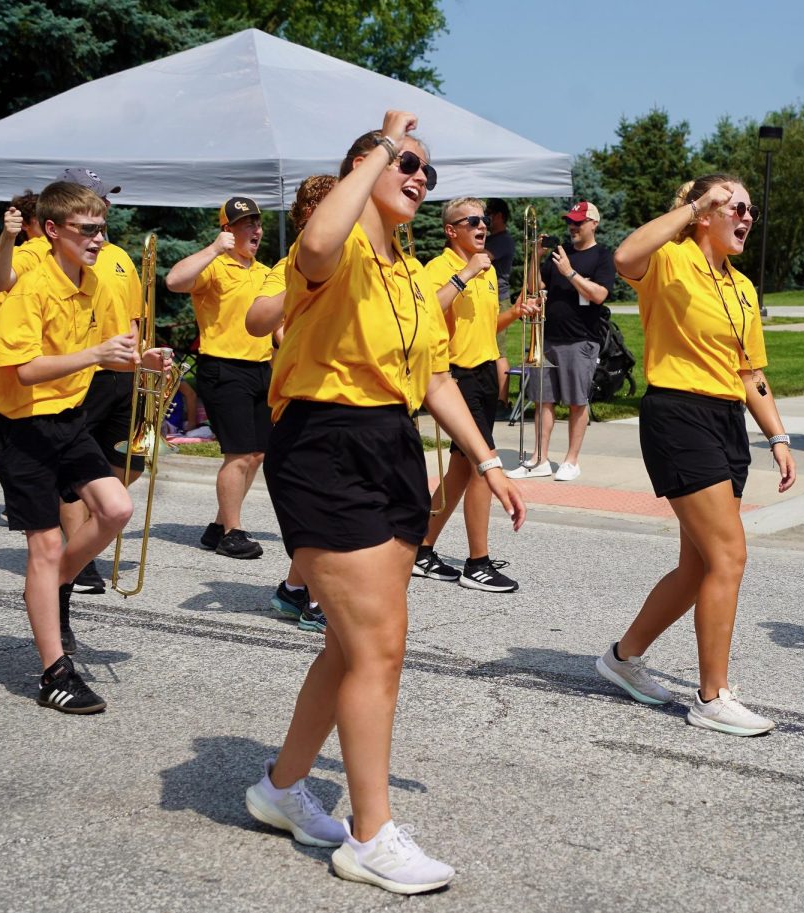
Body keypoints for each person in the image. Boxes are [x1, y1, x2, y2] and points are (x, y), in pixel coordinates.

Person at [245, 111, 525, 895]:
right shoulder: (334, 254)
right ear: (365, 169)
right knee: (378, 646)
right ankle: (370, 835)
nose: (419, 177)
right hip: (323, 445)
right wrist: (376, 146)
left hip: (391, 444)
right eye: (407, 164)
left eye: (426, 171)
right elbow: (315, 247)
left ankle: (279, 788)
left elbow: (435, 378)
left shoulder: (409, 271)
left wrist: (487, 459)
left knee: (350, 643)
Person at [595, 173, 796, 736]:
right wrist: (688, 210)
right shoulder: (670, 260)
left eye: (750, 209)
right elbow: (625, 256)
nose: (747, 217)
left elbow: (750, 373)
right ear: (704, 212)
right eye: (735, 206)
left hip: (727, 421)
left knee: (698, 566)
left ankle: (621, 657)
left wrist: (777, 437)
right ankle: (713, 697)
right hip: (678, 417)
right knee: (729, 557)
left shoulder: (743, 287)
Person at [0, 180, 170, 713]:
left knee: (116, 507)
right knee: (42, 548)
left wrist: (143, 359)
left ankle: (51, 587)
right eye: (86, 230)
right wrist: (94, 354)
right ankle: (54, 673)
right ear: (52, 230)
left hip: (65, 418)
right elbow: (22, 371)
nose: (97, 238)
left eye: (101, 229)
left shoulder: (93, 282)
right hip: (22, 426)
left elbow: (107, 351)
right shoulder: (30, 286)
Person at [0, 170, 145, 595]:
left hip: (111, 369)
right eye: (94, 201)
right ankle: (69, 575)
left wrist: (141, 358)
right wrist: (6, 239)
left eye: (105, 203)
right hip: (55, 387)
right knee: (68, 492)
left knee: (125, 472)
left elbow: (131, 318)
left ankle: (67, 566)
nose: (103, 209)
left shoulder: (115, 257)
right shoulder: (39, 253)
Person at [415, 197, 538, 593]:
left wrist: (515, 313)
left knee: (462, 470)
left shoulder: (483, 266)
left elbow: (485, 324)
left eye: (484, 220)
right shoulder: (442, 268)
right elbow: (428, 312)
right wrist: (464, 274)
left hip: (484, 371)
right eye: (472, 221)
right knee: (484, 467)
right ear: (452, 230)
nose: (482, 226)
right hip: (456, 375)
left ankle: (422, 547)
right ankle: (477, 562)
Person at [245, 174, 337, 633]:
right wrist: (300, 286)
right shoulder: (290, 262)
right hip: (306, 395)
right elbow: (259, 322)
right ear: (306, 217)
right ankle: (318, 601)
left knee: (330, 503)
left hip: (343, 394)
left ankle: (294, 589)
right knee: (327, 507)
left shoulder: (360, 259)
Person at [167, 195, 271, 559]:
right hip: (224, 368)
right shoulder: (214, 265)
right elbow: (174, 281)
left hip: (261, 367)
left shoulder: (263, 272)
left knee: (257, 454)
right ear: (227, 230)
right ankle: (233, 533)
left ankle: (217, 526)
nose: (255, 230)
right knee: (238, 454)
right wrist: (213, 248)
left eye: (257, 223)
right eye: (246, 224)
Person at [506, 200, 616, 482]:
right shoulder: (557, 255)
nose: (572, 227)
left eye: (578, 222)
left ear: (594, 223)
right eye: (570, 221)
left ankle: (571, 460)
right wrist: (535, 255)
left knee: (577, 402)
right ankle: (539, 459)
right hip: (547, 338)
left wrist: (569, 272)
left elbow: (600, 294)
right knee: (543, 400)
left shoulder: (602, 255)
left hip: (580, 341)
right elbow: (534, 287)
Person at [484, 198, 516, 413]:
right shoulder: (491, 238)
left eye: (490, 214)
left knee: (498, 350)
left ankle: (502, 401)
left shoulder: (503, 240)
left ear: (500, 216)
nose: (486, 218)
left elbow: (483, 257)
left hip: (499, 299)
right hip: (488, 297)